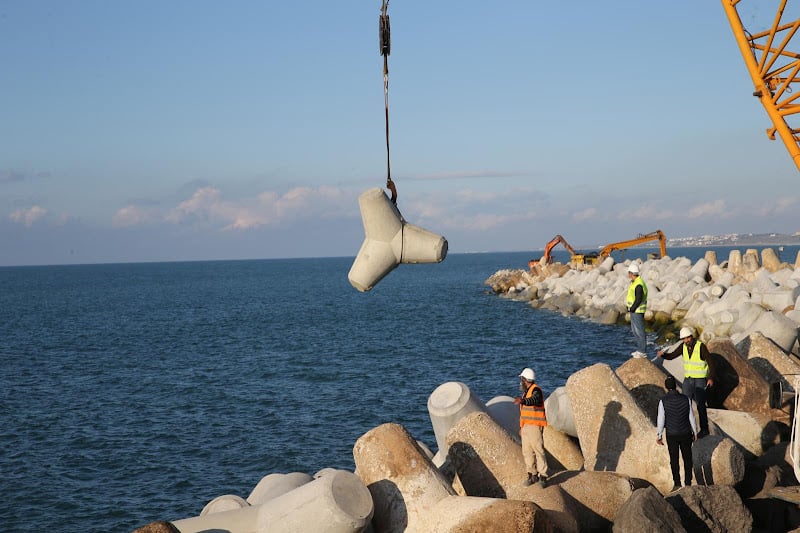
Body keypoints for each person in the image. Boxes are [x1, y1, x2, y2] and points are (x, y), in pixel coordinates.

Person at [657, 326, 714, 438]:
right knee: (684, 404)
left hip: (700, 379)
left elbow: (711, 362)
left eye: (688, 338)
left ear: (691, 337)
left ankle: (704, 430)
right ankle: (686, 429)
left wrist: (711, 377)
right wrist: (663, 355)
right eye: (684, 339)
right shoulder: (682, 347)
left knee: (701, 405)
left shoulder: (700, 347)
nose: (686, 340)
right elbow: (672, 356)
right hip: (688, 379)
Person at [656, 375, 697, 492]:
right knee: (688, 459)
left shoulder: (663, 401)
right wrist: (695, 431)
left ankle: (677, 484)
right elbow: (691, 417)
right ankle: (688, 483)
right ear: (675, 386)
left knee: (674, 459)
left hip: (672, 434)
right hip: (685, 433)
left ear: (666, 387)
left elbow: (661, 420)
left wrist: (659, 435)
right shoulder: (686, 399)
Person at [513, 367, 549, 488]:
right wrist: (521, 427)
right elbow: (524, 413)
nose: (520, 382)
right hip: (527, 427)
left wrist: (523, 401)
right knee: (527, 452)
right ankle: (532, 475)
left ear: (525, 380)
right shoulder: (526, 392)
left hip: (535, 427)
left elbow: (534, 400)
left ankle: (543, 476)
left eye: (521, 379)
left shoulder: (536, 390)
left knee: (538, 451)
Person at [626, 262, 648, 358]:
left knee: (639, 331)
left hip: (637, 311)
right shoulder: (635, 282)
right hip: (634, 310)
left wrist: (632, 308)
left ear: (631, 273)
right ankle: (639, 349)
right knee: (635, 330)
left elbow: (638, 299)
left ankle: (642, 351)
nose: (628, 275)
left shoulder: (639, 284)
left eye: (629, 273)